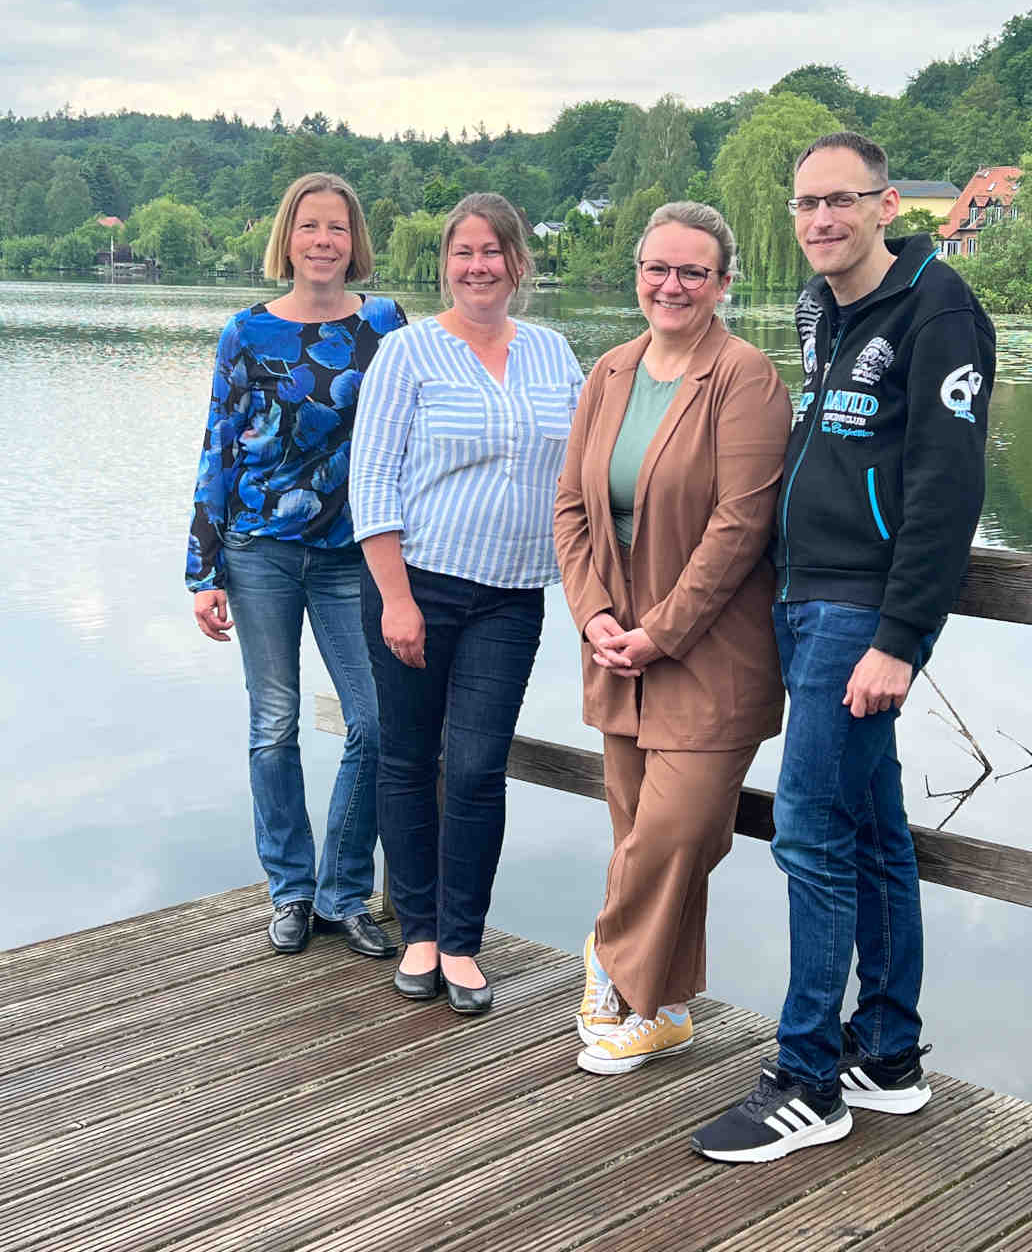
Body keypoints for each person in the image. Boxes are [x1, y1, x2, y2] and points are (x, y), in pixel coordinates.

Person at [692, 133, 996, 1163]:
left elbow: (948, 493)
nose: (820, 220)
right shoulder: (822, 306)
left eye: (840, 202)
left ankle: (809, 1077)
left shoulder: (939, 308)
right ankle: (891, 1053)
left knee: (810, 831)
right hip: (803, 598)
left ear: (885, 204)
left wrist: (902, 640)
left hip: (861, 616)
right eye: (805, 203)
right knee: (870, 831)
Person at [553, 201, 792, 1074]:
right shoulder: (611, 372)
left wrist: (661, 632)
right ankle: (661, 1007)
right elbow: (573, 507)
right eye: (659, 267)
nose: (673, 284)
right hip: (617, 647)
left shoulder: (747, 378)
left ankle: (610, 954)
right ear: (638, 274)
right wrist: (595, 618)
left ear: (724, 282)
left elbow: (741, 526)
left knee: (681, 830)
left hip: (711, 654)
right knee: (635, 829)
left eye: (694, 271)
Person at [348, 191, 583, 1015]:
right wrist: (395, 599)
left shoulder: (556, 354)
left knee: (479, 770)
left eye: (494, 252)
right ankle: (417, 930)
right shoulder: (406, 353)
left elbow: (588, 471)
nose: (478, 267)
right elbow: (370, 481)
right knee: (409, 761)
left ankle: (462, 941)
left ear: (519, 263)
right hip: (419, 588)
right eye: (463, 253)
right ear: (445, 264)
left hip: (512, 598)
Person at [188, 172, 406, 958]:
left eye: (338, 228)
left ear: (355, 243)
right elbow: (217, 444)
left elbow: (409, 430)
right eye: (310, 226)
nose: (323, 240)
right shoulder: (245, 332)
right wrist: (202, 571)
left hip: (353, 554)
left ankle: (345, 892)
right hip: (258, 553)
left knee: (376, 722)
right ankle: (289, 891)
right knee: (274, 724)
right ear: (287, 237)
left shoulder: (383, 324)